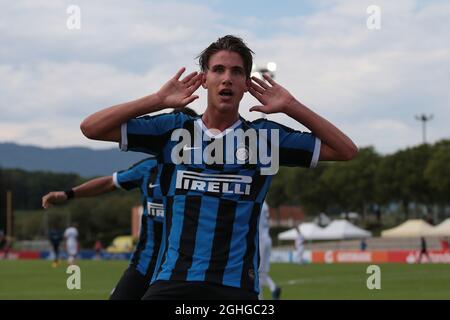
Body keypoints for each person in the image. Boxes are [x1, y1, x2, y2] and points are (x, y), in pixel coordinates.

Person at [80, 35, 358, 300]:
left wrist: (291, 106)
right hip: (172, 282)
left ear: (246, 83)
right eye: (218, 70)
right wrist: (157, 100)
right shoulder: (173, 130)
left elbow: (345, 151)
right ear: (204, 78)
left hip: (236, 287)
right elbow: (91, 128)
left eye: (237, 72)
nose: (227, 78)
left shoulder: (265, 138)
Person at [42, 157, 163, 299]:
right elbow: (110, 182)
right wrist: (67, 194)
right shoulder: (149, 167)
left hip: (185, 269)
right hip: (144, 265)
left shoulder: (194, 169)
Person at [258, 201, 281, 300]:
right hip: (267, 238)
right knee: (262, 273)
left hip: (260, 240)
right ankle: (274, 288)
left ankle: (260, 298)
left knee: (257, 272)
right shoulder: (266, 204)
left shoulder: (259, 202)